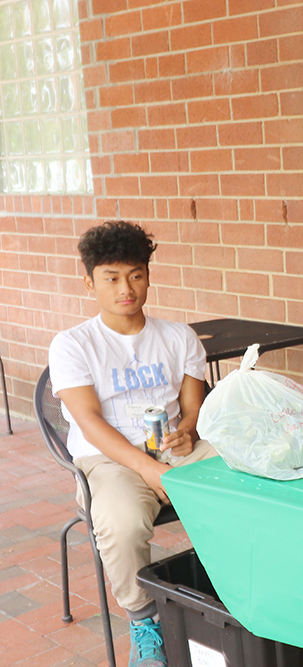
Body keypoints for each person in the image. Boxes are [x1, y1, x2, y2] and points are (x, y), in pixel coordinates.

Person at [48, 221, 218, 667]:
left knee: (241, 482)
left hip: (171, 451)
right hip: (109, 459)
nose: (127, 288)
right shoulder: (73, 345)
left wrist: (189, 430)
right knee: (120, 522)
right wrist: (148, 469)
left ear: (148, 275)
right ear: (89, 281)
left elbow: (193, 408)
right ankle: (144, 621)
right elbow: (88, 419)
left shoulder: (178, 336)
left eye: (136, 275)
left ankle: (237, 589)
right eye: (112, 277)